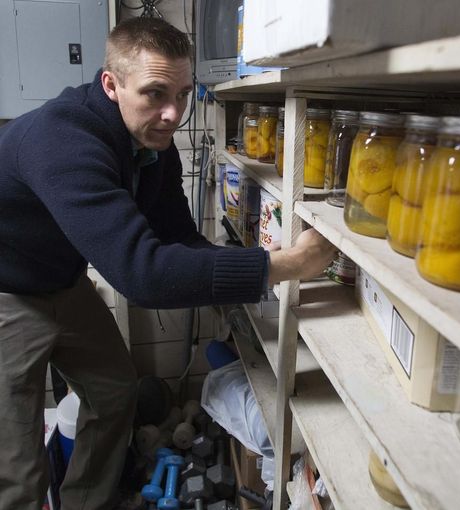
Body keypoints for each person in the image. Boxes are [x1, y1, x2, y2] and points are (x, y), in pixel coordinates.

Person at [0, 17, 335, 510]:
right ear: (111, 85)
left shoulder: (152, 146)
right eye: (155, 94)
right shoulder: (62, 140)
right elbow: (143, 275)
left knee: (115, 393)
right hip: (7, 293)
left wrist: (258, 266)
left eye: (183, 92)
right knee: (17, 463)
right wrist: (280, 267)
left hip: (61, 282)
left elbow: (178, 238)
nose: (172, 113)